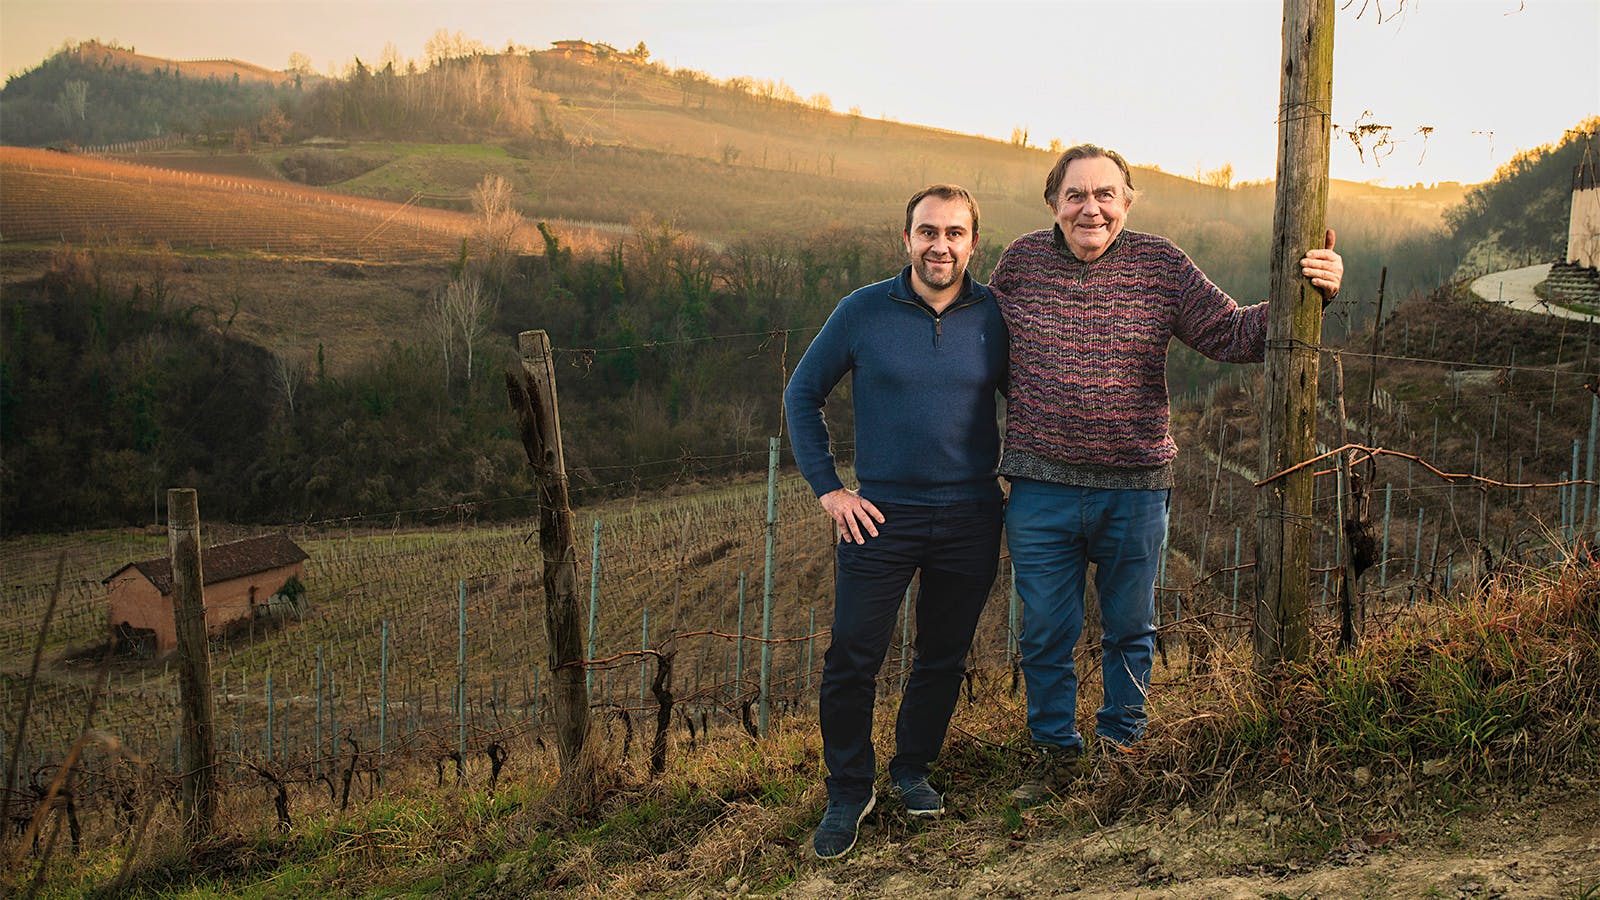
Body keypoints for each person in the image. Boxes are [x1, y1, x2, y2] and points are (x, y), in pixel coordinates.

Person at [991, 144, 1343, 806]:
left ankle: (1122, 748)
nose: (1090, 207)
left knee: (1130, 627)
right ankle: (1053, 755)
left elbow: (1233, 335)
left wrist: (1310, 291)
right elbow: (972, 346)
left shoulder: (1161, 265)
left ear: (1127, 201)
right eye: (1075, 195)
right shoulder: (1019, 265)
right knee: (1044, 630)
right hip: (1041, 488)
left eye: (1105, 194)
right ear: (1052, 204)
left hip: (1134, 490)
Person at [783, 184, 1009, 859]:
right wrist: (830, 490)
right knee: (852, 657)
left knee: (942, 656)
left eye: (955, 233)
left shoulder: (997, 314)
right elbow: (802, 394)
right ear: (905, 239)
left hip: (972, 514)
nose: (940, 245)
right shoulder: (862, 312)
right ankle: (849, 790)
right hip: (881, 516)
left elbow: (1035, 397)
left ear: (974, 242)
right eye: (927, 232)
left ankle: (912, 770)